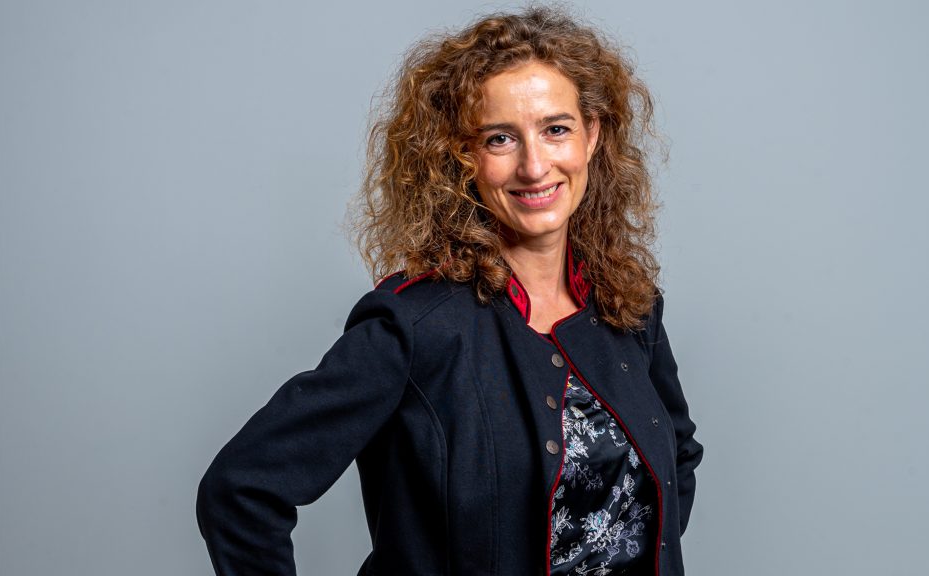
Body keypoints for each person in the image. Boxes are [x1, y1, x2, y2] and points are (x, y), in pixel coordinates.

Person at [197, 6, 703, 575]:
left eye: (556, 129)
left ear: (592, 136)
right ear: (461, 157)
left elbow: (676, 457)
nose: (535, 166)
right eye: (499, 138)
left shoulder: (629, 304)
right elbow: (241, 490)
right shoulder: (415, 325)